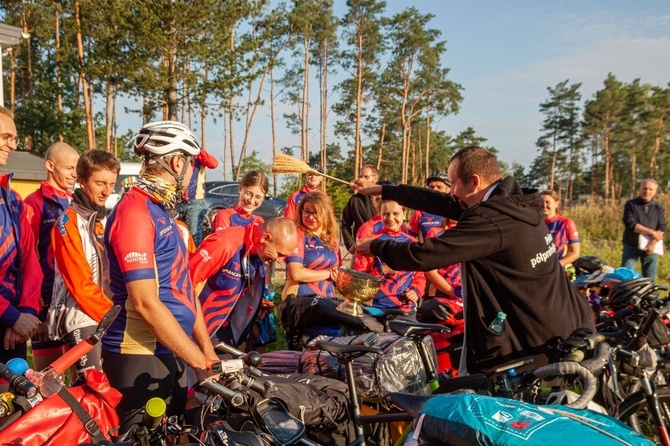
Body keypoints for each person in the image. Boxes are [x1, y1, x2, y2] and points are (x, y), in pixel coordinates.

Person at [353, 146, 595, 375]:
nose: (451, 191)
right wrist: (387, 191)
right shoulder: (510, 204)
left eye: (454, 183)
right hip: (565, 320)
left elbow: (425, 255)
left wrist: (376, 245)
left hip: (537, 337)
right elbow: (445, 203)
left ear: (475, 181)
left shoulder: (492, 222)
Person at [102, 121, 219, 432]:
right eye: (194, 165)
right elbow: (144, 303)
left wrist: (206, 351)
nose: (196, 176)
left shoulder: (161, 211)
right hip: (138, 354)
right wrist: (197, 359)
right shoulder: (134, 213)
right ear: (177, 162)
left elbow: (185, 289)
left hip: (173, 351)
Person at [50, 149, 119, 381]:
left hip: (103, 317)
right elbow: (80, 284)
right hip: (80, 318)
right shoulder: (68, 222)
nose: (107, 190)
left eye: (111, 183)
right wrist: (115, 315)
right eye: (100, 183)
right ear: (81, 180)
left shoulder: (100, 220)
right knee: (93, 398)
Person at [190, 218, 297, 350]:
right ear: (265, 238)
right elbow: (184, 285)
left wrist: (257, 304)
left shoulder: (259, 250)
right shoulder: (225, 244)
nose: (280, 261)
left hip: (228, 332)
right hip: (197, 332)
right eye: (279, 254)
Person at [24, 142, 80, 370]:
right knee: (46, 383)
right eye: (69, 168)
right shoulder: (33, 204)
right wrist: (36, 310)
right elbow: (27, 259)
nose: (74, 174)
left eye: (77, 168)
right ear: (50, 165)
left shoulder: (75, 202)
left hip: (75, 303)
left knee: (81, 380)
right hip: (46, 306)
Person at [0, 106, 41, 372]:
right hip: (8, 317)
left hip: (10, 331)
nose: (12, 145)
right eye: (5, 137)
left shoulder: (12, 199)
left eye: (13, 138)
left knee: (15, 411)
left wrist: (25, 313)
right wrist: (13, 316)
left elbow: (30, 263)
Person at [353, 199, 425, 313]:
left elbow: (420, 276)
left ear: (404, 214)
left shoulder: (412, 242)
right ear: (380, 215)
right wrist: (381, 271)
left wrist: (415, 291)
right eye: (386, 214)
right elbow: (358, 278)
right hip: (376, 309)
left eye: (395, 213)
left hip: (406, 310)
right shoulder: (371, 242)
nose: (390, 218)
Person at [283, 192, 341, 300]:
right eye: (307, 211)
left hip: (328, 301)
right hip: (301, 301)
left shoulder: (331, 239)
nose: (310, 217)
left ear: (325, 214)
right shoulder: (297, 234)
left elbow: (337, 273)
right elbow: (296, 274)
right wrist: (328, 273)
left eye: (315, 213)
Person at [621, 179, 666, 280]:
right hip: (631, 246)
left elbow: (662, 227)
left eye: (651, 189)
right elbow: (631, 224)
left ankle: (648, 296)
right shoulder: (631, 205)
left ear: (655, 191)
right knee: (625, 276)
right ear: (640, 189)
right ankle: (625, 295)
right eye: (645, 188)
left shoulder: (658, 207)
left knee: (650, 279)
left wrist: (652, 244)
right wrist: (652, 232)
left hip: (651, 248)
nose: (647, 191)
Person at [177, 147, 218, 246]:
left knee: (194, 236)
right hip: (180, 201)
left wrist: (200, 151)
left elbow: (213, 164)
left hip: (196, 201)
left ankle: (194, 258)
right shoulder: (179, 156)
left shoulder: (198, 157)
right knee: (177, 232)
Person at [408, 171, 457, 241]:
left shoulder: (456, 209)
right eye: (431, 187)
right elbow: (409, 236)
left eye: (439, 187)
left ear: (449, 189)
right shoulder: (420, 211)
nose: (435, 190)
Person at [341, 165, 379, 252]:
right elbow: (345, 225)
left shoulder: (383, 198)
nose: (362, 180)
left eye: (366, 177)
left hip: (382, 249)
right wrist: (351, 245)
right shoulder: (354, 200)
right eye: (360, 177)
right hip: (363, 250)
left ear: (375, 179)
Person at [540, 190, 580, 268]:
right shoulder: (536, 223)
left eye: (547, 202)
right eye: (541, 202)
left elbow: (575, 253)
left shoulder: (566, 223)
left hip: (558, 270)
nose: (544, 205)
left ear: (557, 203)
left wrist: (557, 266)